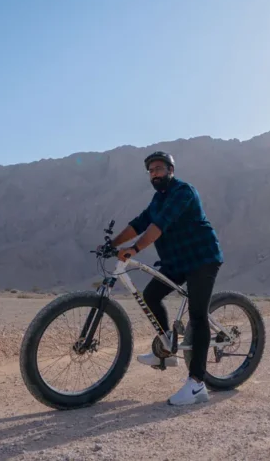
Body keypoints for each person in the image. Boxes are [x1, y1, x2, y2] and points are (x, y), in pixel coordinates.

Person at [108, 150, 224, 406]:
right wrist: (112, 244)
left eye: (159, 168)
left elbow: (157, 227)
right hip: (176, 262)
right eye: (151, 170)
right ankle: (167, 345)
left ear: (171, 170)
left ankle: (197, 385)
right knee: (150, 295)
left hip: (202, 258)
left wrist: (134, 249)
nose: (155, 173)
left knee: (197, 316)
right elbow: (139, 223)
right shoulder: (157, 199)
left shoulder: (183, 192)